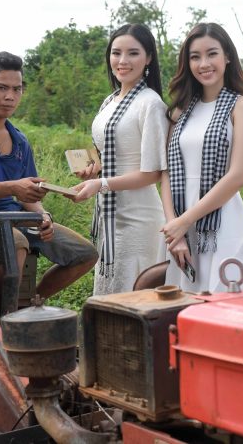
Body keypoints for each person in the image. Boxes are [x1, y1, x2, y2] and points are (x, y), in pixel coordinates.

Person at [0, 51, 96, 309]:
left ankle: (30, 304)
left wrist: (42, 214)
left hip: (13, 217)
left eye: (17, 89)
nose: (10, 96)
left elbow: (28, 193)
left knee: (85, 253)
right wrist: (13, 187)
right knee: (17, 242)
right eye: (1, 88)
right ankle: (6, 321)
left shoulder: (20, 140)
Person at [160, 22, 243, 292]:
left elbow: (238, 176)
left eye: (212, 53)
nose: (204, 63)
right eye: (195, 57)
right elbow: (166, 172)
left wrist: (185, 220)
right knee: (182, 312)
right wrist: (174, 228)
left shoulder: (242, 106)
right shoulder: (180, 111)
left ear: (227, 56)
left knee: (224, 307)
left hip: (221, 225)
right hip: (180, 227)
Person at [72, 24, 169, 295]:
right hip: (111, 215)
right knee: (110, 290)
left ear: (148, 58)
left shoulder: (151, 104)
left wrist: (101, 184)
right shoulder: (110, 101)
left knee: (133, 291)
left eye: (133, 53)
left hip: (139, 217)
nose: (122, 61)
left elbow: (152, 172)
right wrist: (94, 170)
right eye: (116, 53)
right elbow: (110, 155)